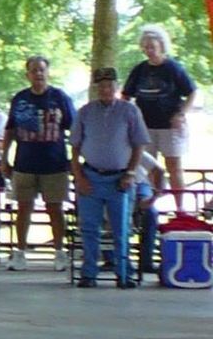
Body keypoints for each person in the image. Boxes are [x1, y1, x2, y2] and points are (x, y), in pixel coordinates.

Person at [71, 66, 151, 288]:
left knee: (121, 228)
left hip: (120, 178)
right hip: (91, 175)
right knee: (89, 228)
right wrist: (79, 177)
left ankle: (124, 273)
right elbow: (75, 147)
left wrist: (131, 173)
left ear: (116, 87)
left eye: (110, 85)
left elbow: (139, 144)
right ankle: (89, 273)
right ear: (96, 88)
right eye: (101, 86)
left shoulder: (130, 111)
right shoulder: (85, 112)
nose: (106, 90)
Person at [2, 54, 75, 272]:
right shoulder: (20, 99)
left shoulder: (60, 97)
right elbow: (10, 130)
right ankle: (20, 252)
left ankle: (60, 253)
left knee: (55, 207)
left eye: (42, 69)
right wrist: (4, 158)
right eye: (34, 70)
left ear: (48, 72)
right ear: (28, 74)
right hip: (24, 162)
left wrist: (75, 160)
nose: (38, 74)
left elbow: (75, 129)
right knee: (24, 207)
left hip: (55, 163)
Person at [121, 25, 195, 194]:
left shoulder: (173, 68)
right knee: (148, 166)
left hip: (170, 126)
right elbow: (126, 95)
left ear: (161, 46)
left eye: (152, 47)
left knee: (174, 166)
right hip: (146, 126)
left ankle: (180, 210)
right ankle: (149, 205)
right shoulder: (139, 70)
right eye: (146, 47)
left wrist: (181, 114)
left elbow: (192, 92)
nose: (149, 51)